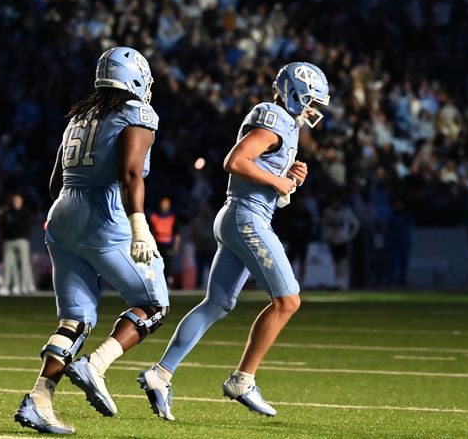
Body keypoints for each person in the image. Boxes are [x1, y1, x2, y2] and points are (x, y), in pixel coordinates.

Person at [139, 62, 330, 421]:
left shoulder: (286, 125)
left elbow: (259, 170)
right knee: (288, 301)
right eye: (309, 101)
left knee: (218, 304)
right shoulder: (273, 117)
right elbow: (235, 161)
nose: (311, 110)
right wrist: (277, 182)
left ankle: (159, 374)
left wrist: (287, 177)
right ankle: (243, 379)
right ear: (294, 93)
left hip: (241, 216)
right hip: (247, 217)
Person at [14, 47, 169, 434]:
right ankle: (96, 365)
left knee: (75, 320)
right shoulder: (137, 112)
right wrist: (138, 224)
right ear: (134, 79)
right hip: (104, 216)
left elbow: (55, 182)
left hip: (62, 215)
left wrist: (72, 222)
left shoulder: (80, 116)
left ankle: (39, 400)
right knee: (154, 303)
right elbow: (132, 173)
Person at [0, 193, 35, 295]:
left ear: (21, 202)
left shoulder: (26, 214)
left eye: (18, 201)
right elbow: (2, 227)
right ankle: (7, 286)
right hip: (8, 241)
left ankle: (24, 285)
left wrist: (14, 228)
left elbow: (27, 227)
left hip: (22, 240)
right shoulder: (5, 213)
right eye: (14, 201)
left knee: (24, 263)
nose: (16, 203)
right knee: (8, 264)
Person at [322, 196, 361, 286]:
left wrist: (349, 236)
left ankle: (343, 283)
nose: (336, 204)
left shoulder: (346, 211)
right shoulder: (328, 212)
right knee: (334, 263)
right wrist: (326, 236)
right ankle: (335, 282)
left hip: (342, 241)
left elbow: (356, 224)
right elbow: (324, 226)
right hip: (332, 241)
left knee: (343, 263)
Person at [150, 196, 182, 287]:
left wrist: (176, 246)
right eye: (162, 205)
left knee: (168, 266)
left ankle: (168, 284)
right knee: (156, 265)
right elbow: (151, 232)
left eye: (166, 205)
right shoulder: (154, 217)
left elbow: (177, 234)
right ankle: (155, 284)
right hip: (157, 245)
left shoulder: (172, 218)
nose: (164, 206)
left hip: (168, 245)